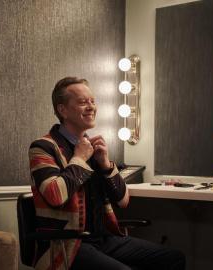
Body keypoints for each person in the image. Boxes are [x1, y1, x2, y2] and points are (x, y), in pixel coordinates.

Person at [28, 77, 186, 270]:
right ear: (63, 110)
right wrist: (79, 159)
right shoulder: (43, 148)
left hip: (104, 239)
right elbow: (55, 195)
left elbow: (123, 200)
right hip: (68, 244)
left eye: (92, 101)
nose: (91, 107)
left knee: (173, 258)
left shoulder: (93, 148)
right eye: (82, 102)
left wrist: (105, 164)